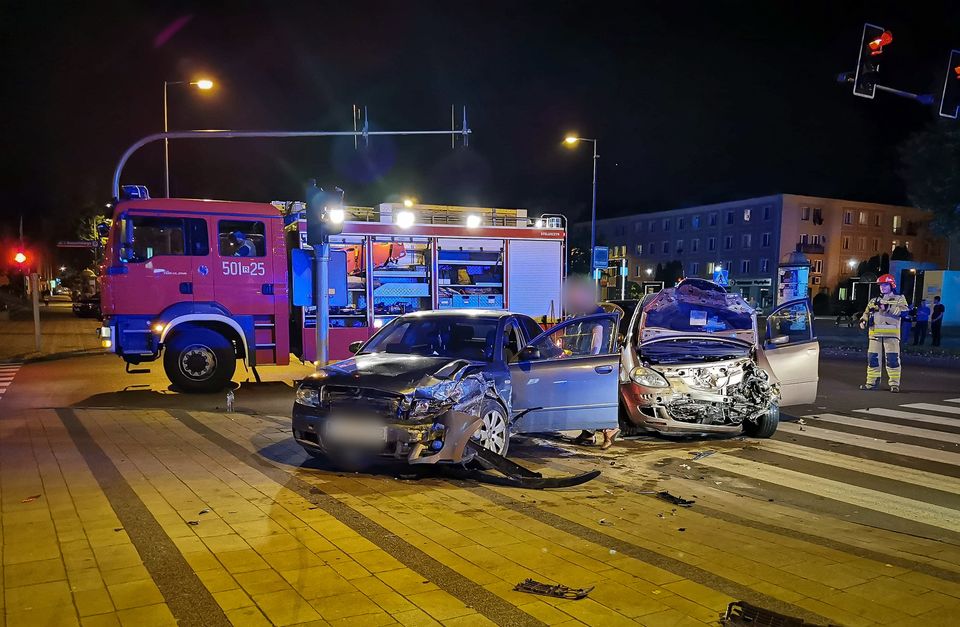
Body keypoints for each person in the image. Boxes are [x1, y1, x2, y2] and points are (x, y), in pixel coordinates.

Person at [858, 274, 908, 392]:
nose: (882, 287)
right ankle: (871, 383)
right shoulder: (874, 301)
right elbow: (865, 313)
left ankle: (894, 384)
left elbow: (904, 311)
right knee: (873, 359)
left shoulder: (899, 299)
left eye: (885, 285)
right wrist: (863, 321)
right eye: (881, 285)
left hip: (892, 336)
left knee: (893, 360)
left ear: (892, 285)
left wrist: (887, 307)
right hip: (874, 335)